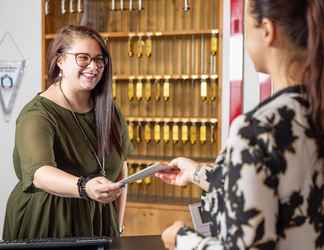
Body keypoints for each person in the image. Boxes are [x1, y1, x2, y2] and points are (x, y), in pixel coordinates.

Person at [156, 0, 324, 249]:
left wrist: (182, 239)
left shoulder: (255, 129)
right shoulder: (312, 112)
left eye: (246, 27)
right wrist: (197, 173)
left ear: (267, 31)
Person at [3, 25, 133, 240]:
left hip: (99, 221)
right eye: (83, 58)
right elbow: (40, 173)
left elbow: (120, 167)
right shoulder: (37, 114)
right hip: (48, 221)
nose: (93, 66)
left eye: (99, 60)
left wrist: (117, 226)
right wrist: (85, 187)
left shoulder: (110, 110)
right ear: (60, 61)